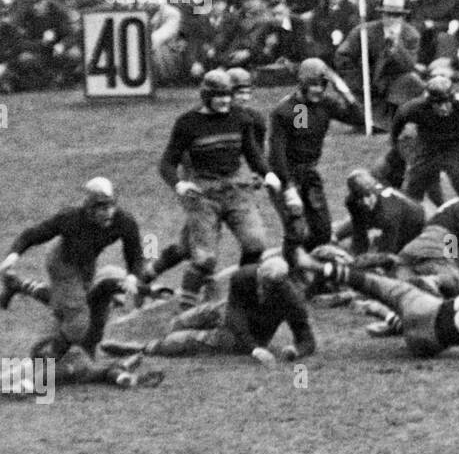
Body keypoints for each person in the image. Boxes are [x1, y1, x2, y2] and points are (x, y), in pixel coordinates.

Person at [0, 178, 152, 372]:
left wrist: (132, 277)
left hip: (86, 263)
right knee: (78, 320)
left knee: (71, 306)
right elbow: (34, 234)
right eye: (101, 207)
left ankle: (16, 284)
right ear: (89, 208)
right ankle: (45, 368)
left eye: (110, 206)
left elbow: (136, 255)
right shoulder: (70, 218)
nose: (108, 212)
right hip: (62, 262)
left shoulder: (124, 221)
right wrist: (13, 254)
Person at [158, 69, 277, 302]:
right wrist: (179, 184)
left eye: (229, 95)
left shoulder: (242, 118)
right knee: (204, 259)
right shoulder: (188, 123)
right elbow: (167, 162)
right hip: (203, 191)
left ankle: (243, 294)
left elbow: (253, 153)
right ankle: (186, 305)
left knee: (256, 244)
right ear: (206, 96)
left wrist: (267, 173)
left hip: (235, 189)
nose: (226, 100)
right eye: (219, 95)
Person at [295, 248, 459, 359]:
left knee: (372, 283)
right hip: (426, 341)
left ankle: (317, 267)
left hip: (424, 308)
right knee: (400, 313)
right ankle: (387, 317)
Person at [107, 248, 316, 365]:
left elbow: (306, 338)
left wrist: (294, 351)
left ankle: (142, 348)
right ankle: (161, 339)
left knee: (183, 340)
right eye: (260, 281)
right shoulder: (244, 276)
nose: (261, 287)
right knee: (178, 323)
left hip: (248, 335)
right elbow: (234, 313)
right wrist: (255, 350)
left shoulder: (291, 300)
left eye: (267, 286)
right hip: (232, 314)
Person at [268, 57, 373, 254]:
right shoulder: (284, 111)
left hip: (309, 173)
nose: (318, 89)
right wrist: (289, 187)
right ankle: (287, 265)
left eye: (322, 85)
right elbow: (276, 154)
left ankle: (294, 258)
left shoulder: (326, 103)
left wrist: (343, 89)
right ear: (302, 84)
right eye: (313, 85)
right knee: (296, 230)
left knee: (322, 233)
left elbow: (359, 118)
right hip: (287, 175)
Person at [386, 74, 459, 204]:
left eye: (447, 103)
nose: (444, 108)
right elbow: (400, 117)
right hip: (427, 146)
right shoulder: (416, 108)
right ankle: (411, 215)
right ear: (430, 103)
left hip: (457, 145)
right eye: (438, 104)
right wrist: (394, 139)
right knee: (414, 186)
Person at [334, 168, 426, 257]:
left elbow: (388, 250)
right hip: (386, 213)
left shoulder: (389, 210)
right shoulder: (352, 201)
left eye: (368, 197)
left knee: (398, 255)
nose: (366, 202)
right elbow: (358, 225)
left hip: (413, 223)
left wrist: (379, 259)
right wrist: (338, 236)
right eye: (361, 199)